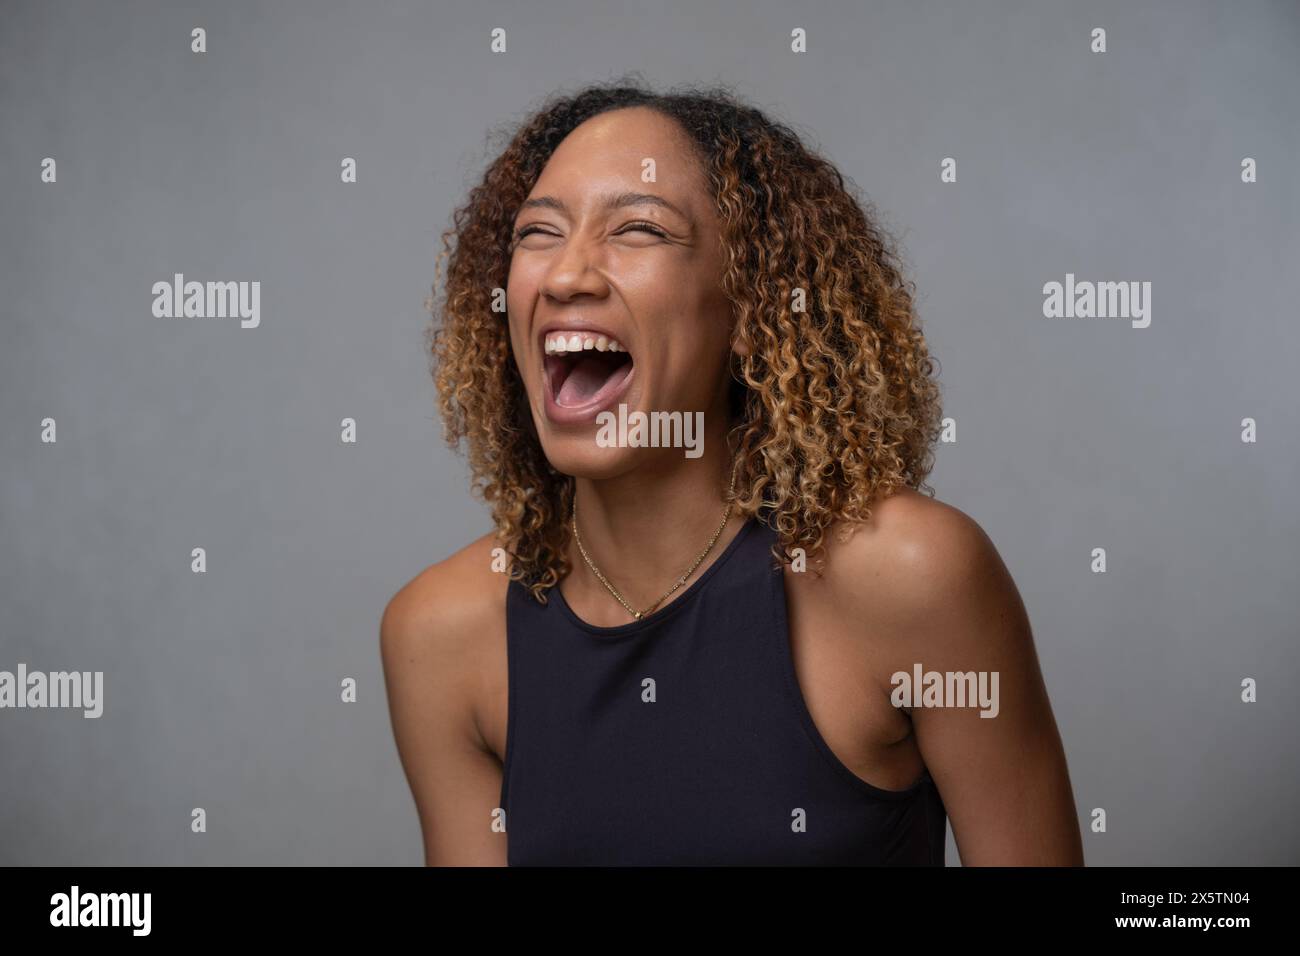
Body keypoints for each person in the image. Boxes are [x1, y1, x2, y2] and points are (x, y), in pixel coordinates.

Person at [381, 79, 1084, 866]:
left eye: (639, 229)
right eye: (537, 234)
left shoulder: (911, 577)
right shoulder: (442, 633)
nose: (565, 275)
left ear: (750, 306)